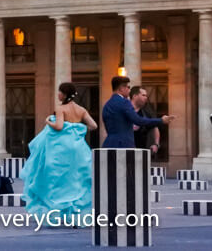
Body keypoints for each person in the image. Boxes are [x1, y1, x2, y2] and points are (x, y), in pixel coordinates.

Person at [22, 82, 98, 223]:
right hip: (79, 149)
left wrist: (48, 122)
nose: (58, 94)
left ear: (64, 94)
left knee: (58, 181)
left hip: (61, 149)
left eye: (59, 92)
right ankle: (75, 214)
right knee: (77, 181)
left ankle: (57, 212)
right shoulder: (81, 109)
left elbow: (59, 126)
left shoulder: (61, 109)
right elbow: (94, 125)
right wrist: (77, 128)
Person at [102, 76, 174, 148]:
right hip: (124, 145)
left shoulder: (106, 105)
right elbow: (138, 120)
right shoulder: (124, 102)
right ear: (121, 88)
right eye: (128, 87)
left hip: (108, 145)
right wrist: (161, 120)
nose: (129, 90)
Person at [130, 86, 162, 155]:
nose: (146, 97)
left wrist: (156, 144)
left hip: (142, 151)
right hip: (126, 149)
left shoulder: (147, 112)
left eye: (146, 95)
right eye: (143, 95)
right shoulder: (125, 110)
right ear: (134, 96)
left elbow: (155, 128)